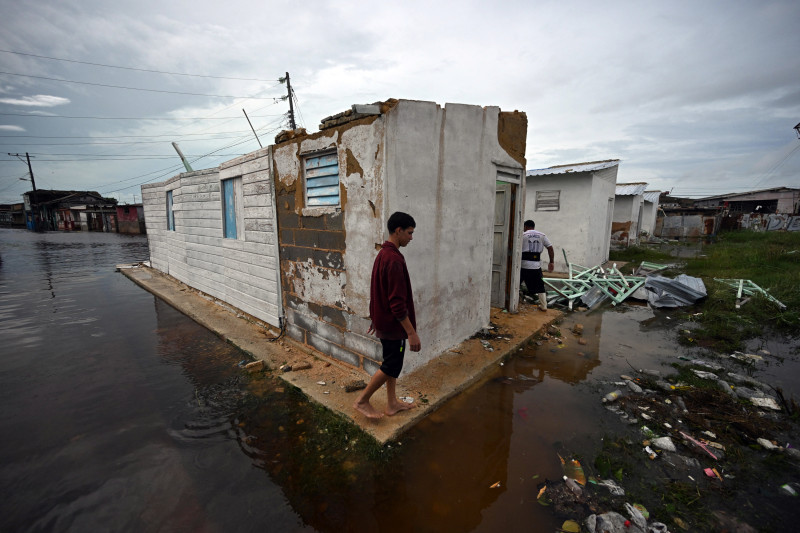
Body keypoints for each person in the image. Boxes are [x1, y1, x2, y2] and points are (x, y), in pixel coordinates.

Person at [354, 211, 421, 420]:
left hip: (386, 323)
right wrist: (411, 333)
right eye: (409, 233)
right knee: (391, 365)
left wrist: (377, 318)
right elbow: (397, 304)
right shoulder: (392, 259)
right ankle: (362, 400)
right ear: (398, 231)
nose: (411, 237)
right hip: (394, 327)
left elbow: (379, 292)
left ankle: (392, 404)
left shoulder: (384, 254)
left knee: (393, 363)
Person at [520, 219, 555, 311]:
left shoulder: (522, 235)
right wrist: (551, 262)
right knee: (540, 286)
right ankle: (544, 306)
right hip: (536, 265)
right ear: (533, 227)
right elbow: (550, 248)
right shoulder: (542, 235)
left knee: (516, 283)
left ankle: (514, 303)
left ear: (525, 227)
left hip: (523, 265)